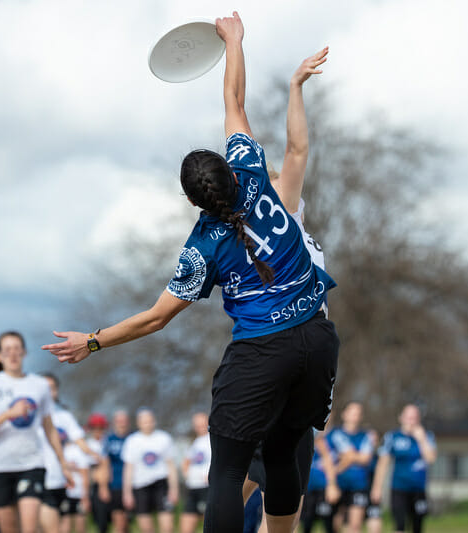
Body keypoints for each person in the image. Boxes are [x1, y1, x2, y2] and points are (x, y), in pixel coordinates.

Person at [42, 11, 339, 533]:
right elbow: (234, 102)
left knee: (225, 471)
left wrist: (92, 342)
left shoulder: (202, 246)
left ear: (190, 199)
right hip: (318, 338)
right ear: (230, 167)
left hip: (264, 349)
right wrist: (235, 40)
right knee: (284, 452)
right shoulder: (250, 169)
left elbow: (156, 319)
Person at [240, 43, 331, 533]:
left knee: (281, 485)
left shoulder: (277, 222)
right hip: (282, 357)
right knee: (260, 478)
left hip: (293, 357)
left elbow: (239, 116)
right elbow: (297, 149)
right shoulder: (277, 211)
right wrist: (295, 87)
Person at [0, 331, 72, 533]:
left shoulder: (39, 385)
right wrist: (8, 414)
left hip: (31, 464)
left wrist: (63, 464)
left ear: (24, 353)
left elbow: (49, 429)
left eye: (17, 349)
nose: (13, 354)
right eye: (7, 350)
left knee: (29, 527)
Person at [39, 373, 98, 533]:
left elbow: (80, 441)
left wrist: (98, 456)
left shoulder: (64, 417)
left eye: (51, 388)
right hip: (38, 479)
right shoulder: (30, 417)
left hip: (60, 480)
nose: (47, 393)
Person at [371, 404, 437, 533]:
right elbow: (382, 464)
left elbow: (431, 459)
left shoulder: (427, 436)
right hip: (399, 488)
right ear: (401, 418)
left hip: (419, 490)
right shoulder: (392, 437)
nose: (411, 421)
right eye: (408, 417)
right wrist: (377, 488)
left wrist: (422, 440)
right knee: (399, 525)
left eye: (414, 418)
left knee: (417, 527)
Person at [120, 409, 177, 533]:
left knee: (168, 527)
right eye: (144, 422)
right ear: (138, 423)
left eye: (150, 421)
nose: (147, 424)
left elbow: (171, 466)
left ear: (154, 421)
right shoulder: (132, 441)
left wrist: (174, 489)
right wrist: (127, 493)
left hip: (161, 484)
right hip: (140, 486)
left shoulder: (164, 438)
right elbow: (128, 469)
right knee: (146, 529)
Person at [326, 402, 375, 533]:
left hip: (358, 484)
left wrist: (347, 456)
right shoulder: (335, 434)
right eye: (352, 412)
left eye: (358, 413)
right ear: (344, 414)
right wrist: (354, 457)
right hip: (338, 483)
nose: (355, 416)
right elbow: (328, 458)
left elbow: (365, 459)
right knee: (335, 524)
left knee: (355, 525)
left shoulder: (365, 436)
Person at [300, 431, 341, 533]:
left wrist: (331, 485)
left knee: (328, 524)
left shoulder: (318, 435)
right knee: (305, 523)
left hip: (322, 487)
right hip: (304, 487)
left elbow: (327, 458)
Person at [180, 412, 210, 533]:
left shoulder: (213, 439)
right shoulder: (196, 442)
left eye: (202, 423)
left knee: (209, 525)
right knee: (186, 525)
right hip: (193, 487)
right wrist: (187, 474)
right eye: (196, 424)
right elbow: (186, 461)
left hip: (207, 487)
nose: (199, 426)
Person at [102, 409, 131, 533]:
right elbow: (104, 463)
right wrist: (104, 486)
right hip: (115, 485)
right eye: (119, 421)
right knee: (119, 523)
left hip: (133, 485)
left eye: (124, 421)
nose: (121, 423)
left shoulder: (133, 438)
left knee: (127, 523)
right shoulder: (109, 439)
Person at [82, 413, 111, 533]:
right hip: (92, 485)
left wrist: (103, 487)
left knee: (107, 521)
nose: (98, 430)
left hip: (106, 485)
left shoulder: (107, 442)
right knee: (97, 520)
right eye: (95, 427)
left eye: (100, 427)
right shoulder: (87, 444)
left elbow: (105, 465)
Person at [60, 435, 90, 533]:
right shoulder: (61, 449)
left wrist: (85, 496)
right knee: (65, 525)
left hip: (78, 493)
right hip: (64, 493)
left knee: (80, 526)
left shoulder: (80, 451)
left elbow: (85, 475)